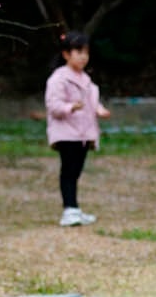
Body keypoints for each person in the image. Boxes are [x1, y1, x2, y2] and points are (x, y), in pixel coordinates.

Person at [46, 29, 111, 227]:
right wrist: (70, 107)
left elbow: (91, 102)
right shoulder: (58, 79)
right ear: (66, 54)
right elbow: (53, 105)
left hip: (84, 133)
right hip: (67, 133)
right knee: (69, 170)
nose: (83, 57)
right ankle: (69, 210)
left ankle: (74, 208)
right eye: (78, 52)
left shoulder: (86, 79)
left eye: (86, 53)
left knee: (76, 171)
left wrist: (99, 110)